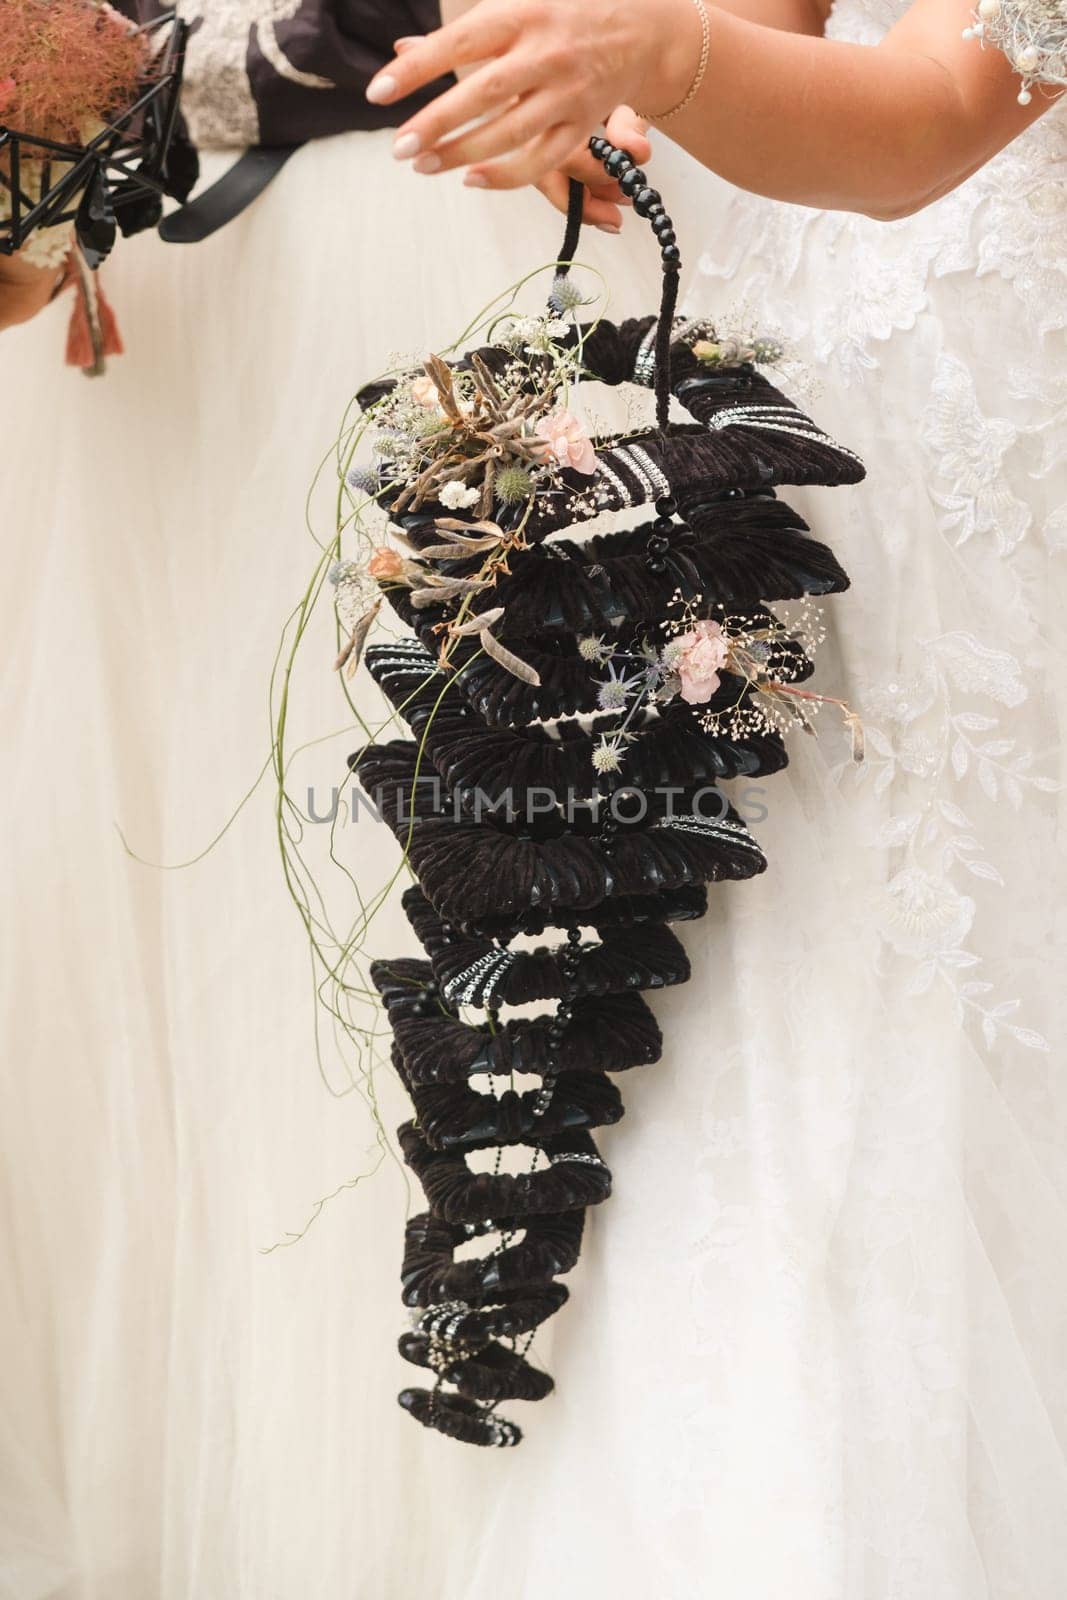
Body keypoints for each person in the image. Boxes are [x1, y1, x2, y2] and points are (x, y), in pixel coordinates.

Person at [349, 3, 1067, 1597]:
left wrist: (660, 55)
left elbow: (939, 118)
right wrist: (585, 79)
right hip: (786, 423)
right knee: (738, 1050)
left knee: (941, 1031)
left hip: (985, 457)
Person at [0, 5, 710, 1594]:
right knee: (167, 928)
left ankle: (416, 1523)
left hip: (451, 225)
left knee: (428, 939)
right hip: (159, 296)